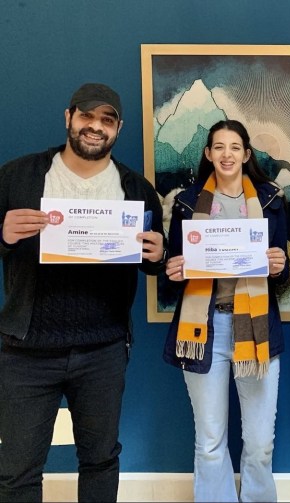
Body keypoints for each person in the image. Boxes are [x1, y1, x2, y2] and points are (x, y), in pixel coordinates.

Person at [0, 83, 166, 502]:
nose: (95, 126)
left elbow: (150, 261)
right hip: (26, 351)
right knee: (17, 471)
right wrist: (2, 234)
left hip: (102, 350)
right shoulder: (18, 175)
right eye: (87, 116)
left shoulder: (137, 189)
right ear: (68, 118)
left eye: (107, 120)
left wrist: (159, 255)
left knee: (100, 461)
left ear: (118, 128)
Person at [163, 119, 289, 502]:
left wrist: (280, 265)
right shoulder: (187, 203)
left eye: (235, 147)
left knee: (260, 442)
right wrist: (174, 269)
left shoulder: (270, 200)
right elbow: (174, 274)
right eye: (219, 147)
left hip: (256, 326)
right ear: (208, 153)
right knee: (209, 442)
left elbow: (281, 273)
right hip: (205, 328)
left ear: (246, 154)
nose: (227, 154)